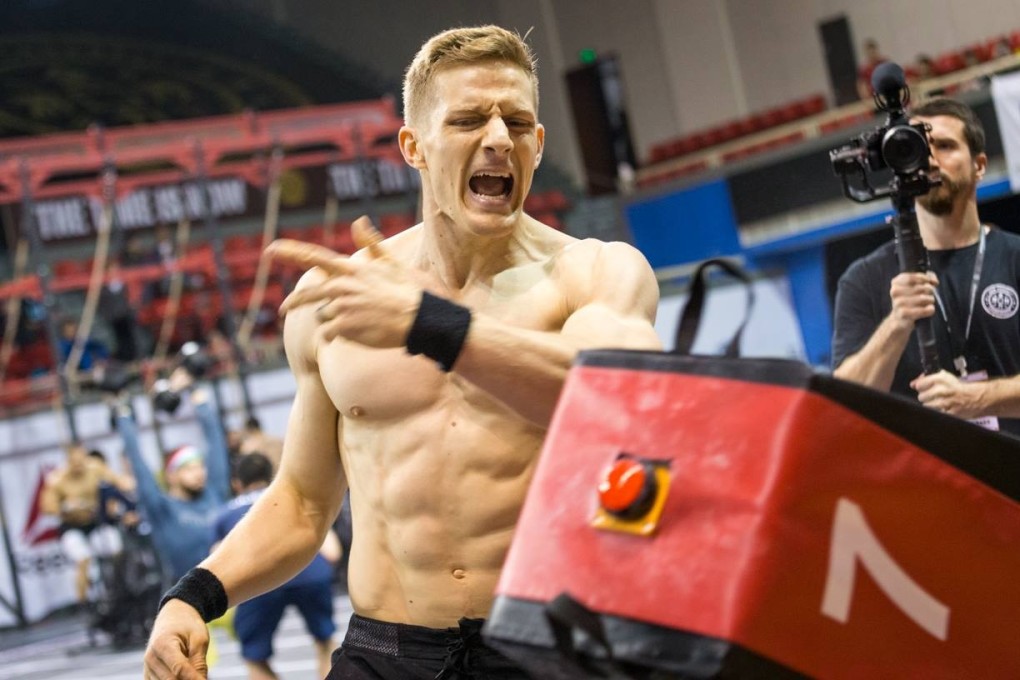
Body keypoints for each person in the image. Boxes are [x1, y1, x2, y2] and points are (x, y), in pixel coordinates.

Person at [146, 24, 661, 680]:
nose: (499, 138)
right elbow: (303, 502)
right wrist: (193, 596)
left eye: (517, 122)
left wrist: (430, 324)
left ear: (538, 142)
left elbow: (615, 393)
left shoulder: (597, 272)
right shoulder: (333, 300)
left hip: (554, 648)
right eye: (470, 119)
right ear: (414, 147)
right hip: (385, 656)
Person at [832, 97, 1020, 437]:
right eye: (918, 148)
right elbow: (844, 404)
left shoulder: (1015, 257)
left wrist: (977, 399)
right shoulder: (864, 278)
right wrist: (898, 323)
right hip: (927, 484)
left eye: (946, 146)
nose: (930, 160)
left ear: (979, 165)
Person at [213, 452, 340, 680]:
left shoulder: (225, 514)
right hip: (311, 573)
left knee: (254, 658)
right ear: (272, 476)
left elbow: (219, 563)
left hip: (260, 582)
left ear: (237, 484)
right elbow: (332, 553)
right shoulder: (298, 499)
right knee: (325, 643)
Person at [115, 366, 231, 582]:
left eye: (200, 466)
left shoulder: (215, 492)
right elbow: (138, 463)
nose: (199, 473)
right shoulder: (162, 509)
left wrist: (195, 394)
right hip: (190, 599)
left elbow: (216, 443)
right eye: (189, 468)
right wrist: (123, 411)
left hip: (231, 591)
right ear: (171, 476)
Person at [40, 442, 135, 602]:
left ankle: (118, 588)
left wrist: (126, 483)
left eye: (81, 461)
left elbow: (116, 480)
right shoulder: (58, 478)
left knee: (115, 547)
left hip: (94, 523)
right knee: (83, 559)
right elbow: (47, 505)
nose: (79, 466)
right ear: (68, 461)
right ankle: (83, 602)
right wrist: (64, 507)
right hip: (72, 527)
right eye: (74, 463)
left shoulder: (94, 468)